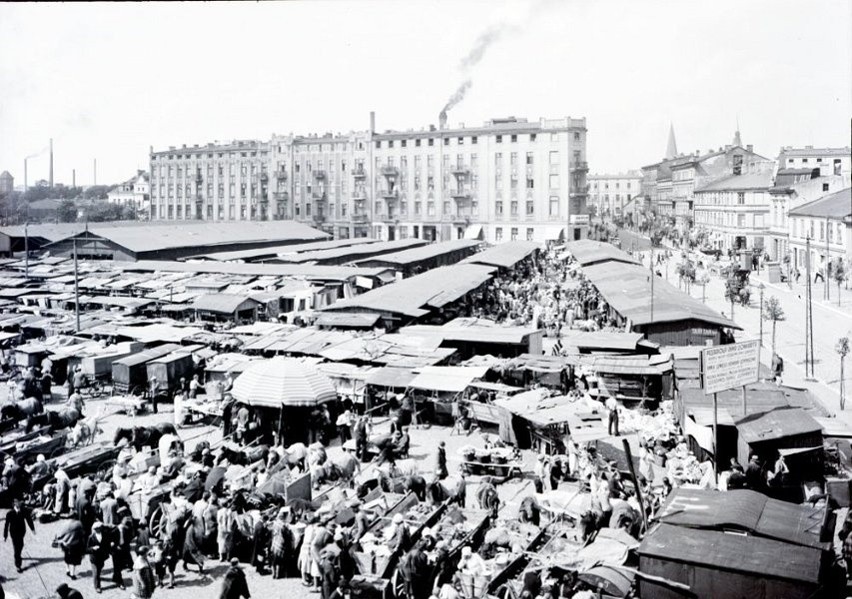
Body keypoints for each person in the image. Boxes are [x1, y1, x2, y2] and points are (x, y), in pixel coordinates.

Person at [4, 498, 35, 573]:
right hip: (14, 533)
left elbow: (29, 519)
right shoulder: (10, 513)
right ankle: (18, 565)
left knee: (21, 545)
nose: (19, 503)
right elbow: (6, 525)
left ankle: (18, 555)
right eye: (17, 502)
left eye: (20, 501)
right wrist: (5, 535)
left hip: (21, 532)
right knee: (16, 549)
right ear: (14, 503)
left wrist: (32, 529)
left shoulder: (23, 511)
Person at [86, 521, 113, 593]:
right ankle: (97, 586)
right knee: (96, 572)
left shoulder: (104, 535)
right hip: (94, 558)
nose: (99, 529)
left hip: (102, 557)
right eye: (97, 528)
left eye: (100, 528)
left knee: (100, 568)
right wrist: (92, 548)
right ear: (95, 529)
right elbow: (86, 549)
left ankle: (97, 578)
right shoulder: (91, 537)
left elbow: (107, 545)